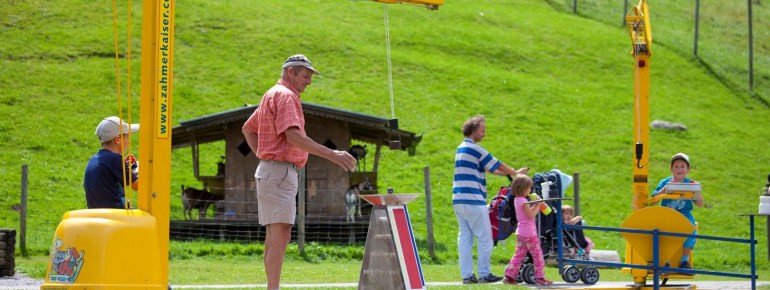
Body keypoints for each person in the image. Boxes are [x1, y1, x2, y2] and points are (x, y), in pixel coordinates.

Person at [242, 54, 357, 290]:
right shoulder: (286, 96)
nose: (309, 82)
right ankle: (273, 288)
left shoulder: (272, 94)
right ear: (290, 72)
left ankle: (273, 286)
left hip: (275, 171)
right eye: (306, 76)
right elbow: (294, 136)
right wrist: (333, 155)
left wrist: (264, 156)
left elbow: (247, 129)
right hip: (279, 171)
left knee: (279, 233)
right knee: (279, 234)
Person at [452, 115, 528, 284]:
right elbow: (497, 163)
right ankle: (485, 274)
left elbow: (491, 169)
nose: (484, 134)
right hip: (473, 199)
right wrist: (516, 173)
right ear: (473, 130)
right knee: (486, 237)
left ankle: (467, 276)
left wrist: (513, 172)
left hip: (458, 199)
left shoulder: (461, 148)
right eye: (482, 130)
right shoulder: (475, 149)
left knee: (465, 238)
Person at [651, 152, 704, 271]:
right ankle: (663, 261)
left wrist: (697, 191)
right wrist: (665, 189)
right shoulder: (665, 182)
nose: (679, 169)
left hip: (684, 214)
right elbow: (653, 200)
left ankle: (684, 261)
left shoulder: (690, 184)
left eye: (682, 166)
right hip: (668, 214)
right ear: (671, 169)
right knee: (660, 233)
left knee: (691, 229)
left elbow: (700, 204)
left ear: (688, 169)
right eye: (676, 166)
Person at [503, 174, 553, 286]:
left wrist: (535, 204)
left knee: (519, 255)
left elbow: (526, 213)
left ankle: (509, 276)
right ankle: (540, 278)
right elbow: (531, 216)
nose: (530, 190)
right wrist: (538, 204)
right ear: (523, 188)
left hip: (520, 232)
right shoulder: (524, 201)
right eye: (529, 188)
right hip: (529, 234)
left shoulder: (518, 199)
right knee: (538, 256)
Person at [84, 116, 139, 209]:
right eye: (127, 137)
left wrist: (125, 166)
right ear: (117, 139)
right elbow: (137, 186)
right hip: (114, 214)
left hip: (96, 213)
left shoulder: (93, 159)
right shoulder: (115, 159)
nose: (129, 142)